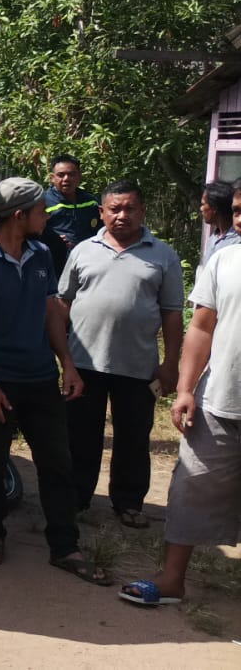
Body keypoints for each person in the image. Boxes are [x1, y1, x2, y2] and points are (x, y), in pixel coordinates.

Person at [0, 177, 108, 584]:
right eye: (41, 211)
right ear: (19, 216)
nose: (47, 217)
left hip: (40, 377)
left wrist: (68, 364)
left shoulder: (41, 253)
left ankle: (65, 545)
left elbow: (51, 312)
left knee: (57, 462)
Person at [119, 185, 241, 607]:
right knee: (189, 487)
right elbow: (202, 327)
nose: (239, 219)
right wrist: (186, 388)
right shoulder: (225, 260)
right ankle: (172, 580)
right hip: (219, 401)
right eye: (237, 210)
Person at [58, 180, 184, 529]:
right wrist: (61, 357)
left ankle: (128, 503)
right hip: (84, 363)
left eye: (130, 208)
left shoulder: (163, 255)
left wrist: (170, 364)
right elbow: (62, 303)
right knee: (80, 435)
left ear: (142, 211)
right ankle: (76, 499)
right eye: (114, 209)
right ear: (101, 212)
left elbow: (173, 314)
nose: (122, 215)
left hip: (138, 366)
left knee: (133, 438)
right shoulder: (83, 250)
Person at [44, 154, 100, 250]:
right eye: (61, 175)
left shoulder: (91, 202)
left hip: (88, 255)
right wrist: (52, 240)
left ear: (79, 176)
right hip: (56, 257)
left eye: (71, 174)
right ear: (52, 178)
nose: (66, 179)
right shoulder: (43, 203)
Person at [199, 180, 237, 262]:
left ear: (214, 208)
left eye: (203, 204)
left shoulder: (236, 242)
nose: (201, 208)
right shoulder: (214, 238)